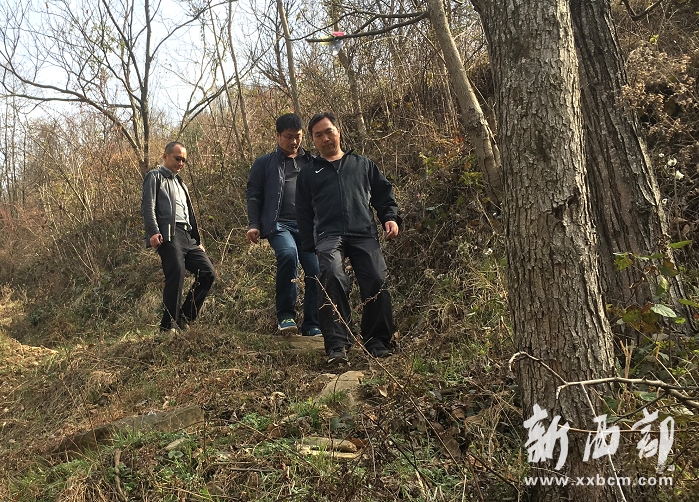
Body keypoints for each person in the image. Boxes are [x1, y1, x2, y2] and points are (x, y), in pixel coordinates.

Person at [296, 111, 402, 364]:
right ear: (313, 140)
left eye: (328, 132)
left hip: (363, 232)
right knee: (331, 275)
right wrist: (309, 247)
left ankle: (377, 341)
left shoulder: (362, 165)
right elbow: (303, 213)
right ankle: (337, 345)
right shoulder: (309, 173)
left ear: (338, 131)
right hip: (328, 236)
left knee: (376, 278)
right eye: (318, 135)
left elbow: (384, 195)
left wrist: (390, 218)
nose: (325, 139)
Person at [246, 113, 322, 336]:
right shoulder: (264, 163)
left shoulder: (312, 162)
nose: (294, 141)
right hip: (279, 224)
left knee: (316, 270)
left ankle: (312, 324)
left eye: (298, 136)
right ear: (277, 135)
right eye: (289, 137)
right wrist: (253, 224)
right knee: (288, 254)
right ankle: (285, 316)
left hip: (308, 227)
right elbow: (254, 195)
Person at [141, 142, 216, 332]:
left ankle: (184, 317)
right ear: (165, 156)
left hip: (187, 236)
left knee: (207, 273)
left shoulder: (181, 184)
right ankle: (167, 327)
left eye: (184, 160)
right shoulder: (155, 176)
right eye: (177, 158)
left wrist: (197, 241)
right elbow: (148, 206)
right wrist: (153, 231)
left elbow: (190, 215)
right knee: (177, 274)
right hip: (168, 233)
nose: (181, 163)